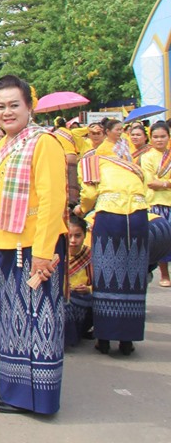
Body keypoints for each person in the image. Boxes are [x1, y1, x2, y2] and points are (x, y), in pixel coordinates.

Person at [0, 75, 67, 415]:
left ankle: (39, 400)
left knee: (39, 322)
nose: (7, 112)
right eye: (0, 106)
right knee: (13, 321)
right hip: (7, 243)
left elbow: (52, 200)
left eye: (13, 105)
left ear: (29, 107)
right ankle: (16, 393)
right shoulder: (4, 145)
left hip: (35, 246)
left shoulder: (43, 142)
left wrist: (44, 253)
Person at [77, 130, 150, 357]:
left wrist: (81, 209)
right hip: (138, 217)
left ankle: (104, 338)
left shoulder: (90, 162)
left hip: (110, 217)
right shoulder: (132, 166)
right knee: (133, 277)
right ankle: (127, 340)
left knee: (106, 276)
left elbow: (89, 194)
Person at [142, 121, 171, 286]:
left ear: (168, 137)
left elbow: (158, 182)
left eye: (163, 136)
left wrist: (163, 183)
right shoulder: (146, 157)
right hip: (155, 203)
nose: (159, 140)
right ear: (150, 138)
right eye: (156, 137)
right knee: (162, 240)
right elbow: (151, 182)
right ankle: (164, 275)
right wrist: (167, 183)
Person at [64, 215, 93, 347]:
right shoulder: (55, 254)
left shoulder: (90, 255)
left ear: (84, 235)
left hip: (84, 299)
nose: (73, 241)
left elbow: (100, 285)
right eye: (69, 236)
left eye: (77, 236)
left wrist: (88, 289)